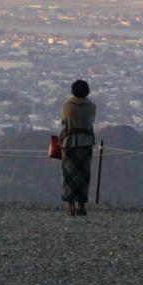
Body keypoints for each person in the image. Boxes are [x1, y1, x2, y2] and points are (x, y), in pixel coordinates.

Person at [59, 79, 96, 217]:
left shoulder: (67, 106)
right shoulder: (92, 106)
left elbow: (64, 122)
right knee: (83, 175)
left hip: (69, 142)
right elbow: (91, 121)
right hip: (85, 142)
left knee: (68, 175)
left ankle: (70, 205)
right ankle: (82, 205)